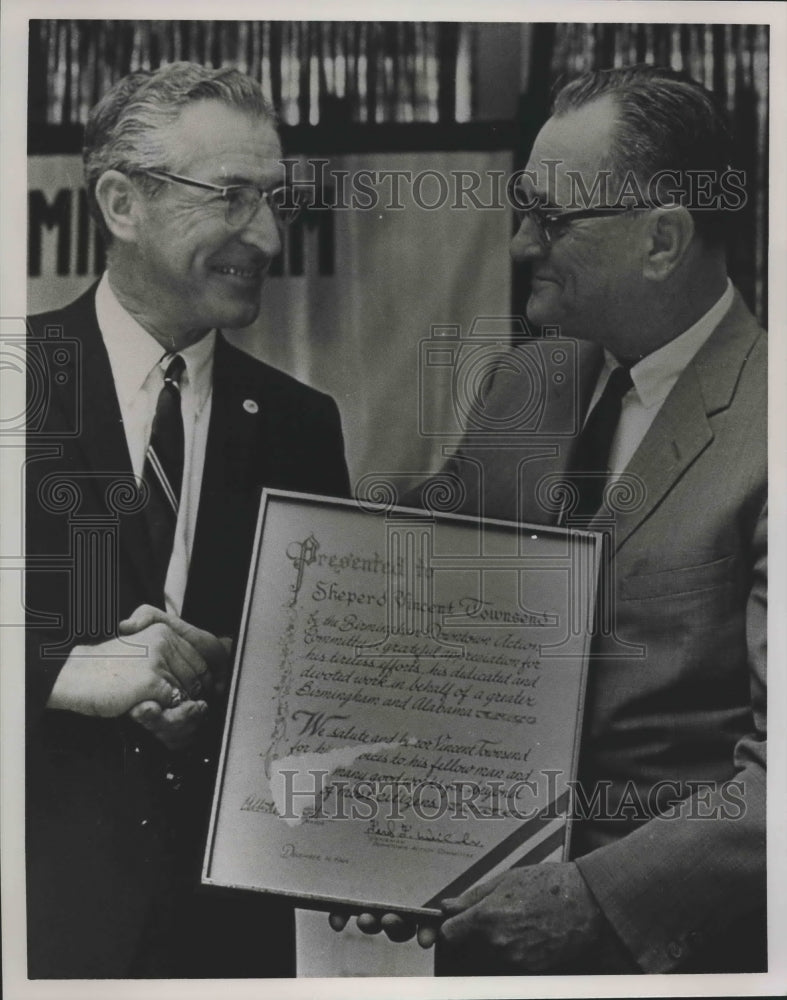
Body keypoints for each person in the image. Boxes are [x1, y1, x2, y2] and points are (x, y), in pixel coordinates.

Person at [333, 65, 767, 975]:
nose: (521, 243)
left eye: (552, 219)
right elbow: (410, 588)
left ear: (663, 239)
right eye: (520, 210)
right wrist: (251, 643)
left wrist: (600, 899)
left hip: (677, 957)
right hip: (479, 933)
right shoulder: (523, 386)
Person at [26, 62, 351, 978]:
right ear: (122, 203)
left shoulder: (301, 426)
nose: (268, 234)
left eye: (274, 200)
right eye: (233, 196)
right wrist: (54, 673)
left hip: (221, 946)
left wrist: (224, 713)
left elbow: (322, 700)